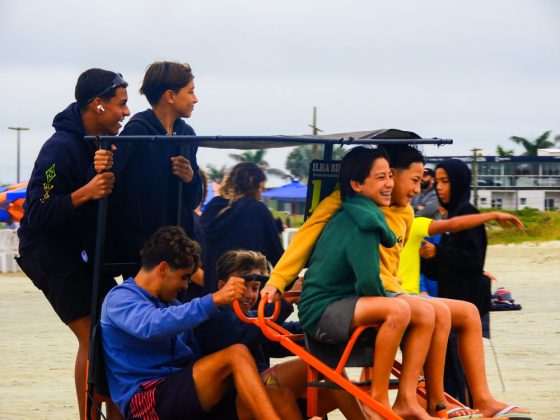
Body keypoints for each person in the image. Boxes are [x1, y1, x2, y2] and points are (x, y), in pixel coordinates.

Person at [262, 144, 531, 419]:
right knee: (424, 309)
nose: (416, 189)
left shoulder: (406, 212)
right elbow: (306, 236)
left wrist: (491, 217)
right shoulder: (349, 204)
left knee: (469, 312)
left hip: (389, 292)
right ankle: (410, 398)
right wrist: (278, 280)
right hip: (361, 297)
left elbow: (446, 227)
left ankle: (470, 399)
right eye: (413, 181)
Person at [16, 68, 130, 419]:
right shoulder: (58, 148)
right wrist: (86, 192)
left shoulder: (99, 143)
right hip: (49, 254)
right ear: (97, 105)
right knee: (95, 338)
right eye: (121, 104)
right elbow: (36, 210)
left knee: (110, 334)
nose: (126, 113)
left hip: (81, 254)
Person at [100, 226, 303, 419]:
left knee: (279, 397)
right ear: (162, 269)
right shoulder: (121, 298)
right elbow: (152, 326)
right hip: (147, 400)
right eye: (184, 277)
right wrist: (214, 299)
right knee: (236, 354)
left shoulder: (172, 304)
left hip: (182, 393)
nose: (186, 285)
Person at [195, 250, 366, 419]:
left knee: (328, 389)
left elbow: (288, 332)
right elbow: (247, 334)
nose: (249, 295)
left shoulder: (253, 318)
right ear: (221, 286)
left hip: (266, 384)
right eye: (243, 287)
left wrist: (335, 322)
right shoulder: (213, 317)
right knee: (322, 362)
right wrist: (284, 301)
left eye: (255, 288)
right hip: (237, 399)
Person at [100, 61, 203, 277]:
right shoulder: (137, 131)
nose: (196, 99)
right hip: (142, 254)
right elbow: (113, 190)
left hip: (179, 251)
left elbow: (193, 201)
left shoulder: (188, 135)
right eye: (191, 91)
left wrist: (191, 178)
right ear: (170, 96)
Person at [200, 162, 284, 294]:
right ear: (253, 184)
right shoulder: (257, 209)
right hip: (246, 294)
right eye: (261, 189)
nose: (261, 195)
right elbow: (277, 255)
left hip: (214, 294)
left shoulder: (213, 208)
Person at [399, 212, 524, 295]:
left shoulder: (408, 225)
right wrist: (493, 215)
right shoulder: (414, 225)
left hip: (394, 295)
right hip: (408, 296)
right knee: (463, 315)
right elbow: (454, 224)